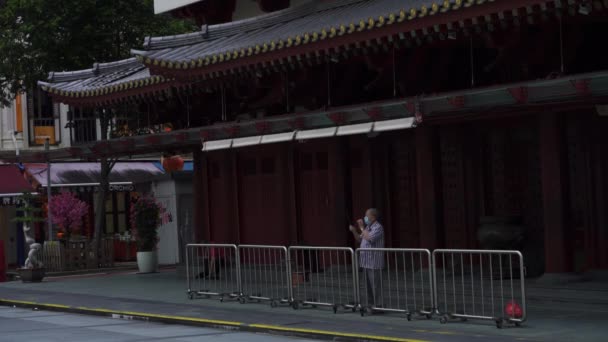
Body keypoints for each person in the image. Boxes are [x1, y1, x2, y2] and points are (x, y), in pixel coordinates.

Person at [349, 208, 385, 308]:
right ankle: (370, 305)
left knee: (376, 286)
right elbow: (360, 240)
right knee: (367, 286)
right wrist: (354, 231)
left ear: (373, 217)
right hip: (365, 262)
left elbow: (370, 239)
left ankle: (379, 305)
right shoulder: (368, 227)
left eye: (367, 215)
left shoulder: (378, 227)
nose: (365, 218)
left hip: (374, 262)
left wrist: (361, 227)